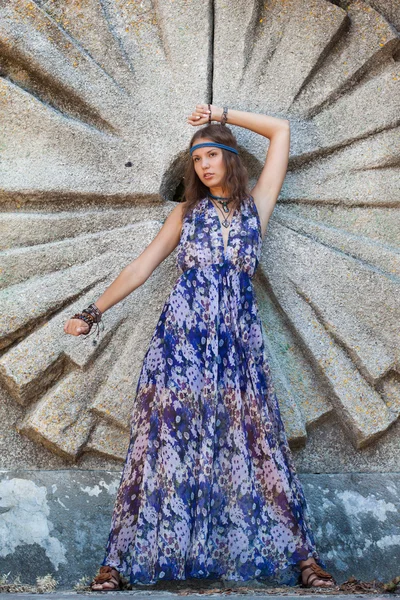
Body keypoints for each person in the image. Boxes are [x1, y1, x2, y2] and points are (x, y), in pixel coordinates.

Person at [64, 104, 337, 591]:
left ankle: (304, 558)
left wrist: (223, 112)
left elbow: (281, 131)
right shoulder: (185, 213)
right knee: (162, 444)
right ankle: (119, 561)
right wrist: (92, 312)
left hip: (238, 348)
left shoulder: (258, 206)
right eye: (197, 159)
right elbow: (141, 267)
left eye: (212, 154)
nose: (204, 165)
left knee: (259, 444)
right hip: (180, 345)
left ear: (231, 158)